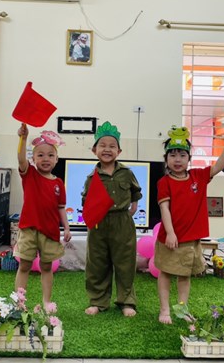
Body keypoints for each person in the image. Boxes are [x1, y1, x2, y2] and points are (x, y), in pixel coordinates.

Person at [155, 125, 224, 324]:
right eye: (172, 155)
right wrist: (171, 233)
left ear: (189, 158)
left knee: (185, 276)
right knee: (166, 273)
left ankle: (182, 309)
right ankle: (164, 310)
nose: (177, 159)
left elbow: (217, 167)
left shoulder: (198, 177)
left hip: (191, 240)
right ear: (166, 159)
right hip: (171, 239)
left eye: (182, 155)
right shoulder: (164, 182)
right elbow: (164, 209)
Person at [82, 121, 142, 317]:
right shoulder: (91, 178)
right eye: (102, 145)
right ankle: (98, 301)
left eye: (112, 146)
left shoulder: (126, 173)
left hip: (122, 222)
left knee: (125, 263)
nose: (107, 149)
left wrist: (133, 207)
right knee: (97, 263)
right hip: (98, 224)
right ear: (94, 150)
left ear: (119, 151)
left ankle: (126, 302)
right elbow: (85, 201)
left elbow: (136, 191)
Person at [15, 124, 72, 307]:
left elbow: (61, 208)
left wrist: (67, 227)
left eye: (50, 155)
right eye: (40, 155)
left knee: (46, 267)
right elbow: (20, 159)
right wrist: (23, 138)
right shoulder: (29, 174)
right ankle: (20, 302)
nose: (45, 159)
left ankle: (47, 301)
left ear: (56, 159)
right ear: (33, 159)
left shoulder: (58, 183)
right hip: (29, 229)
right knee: (24, 265)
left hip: (50, 231)